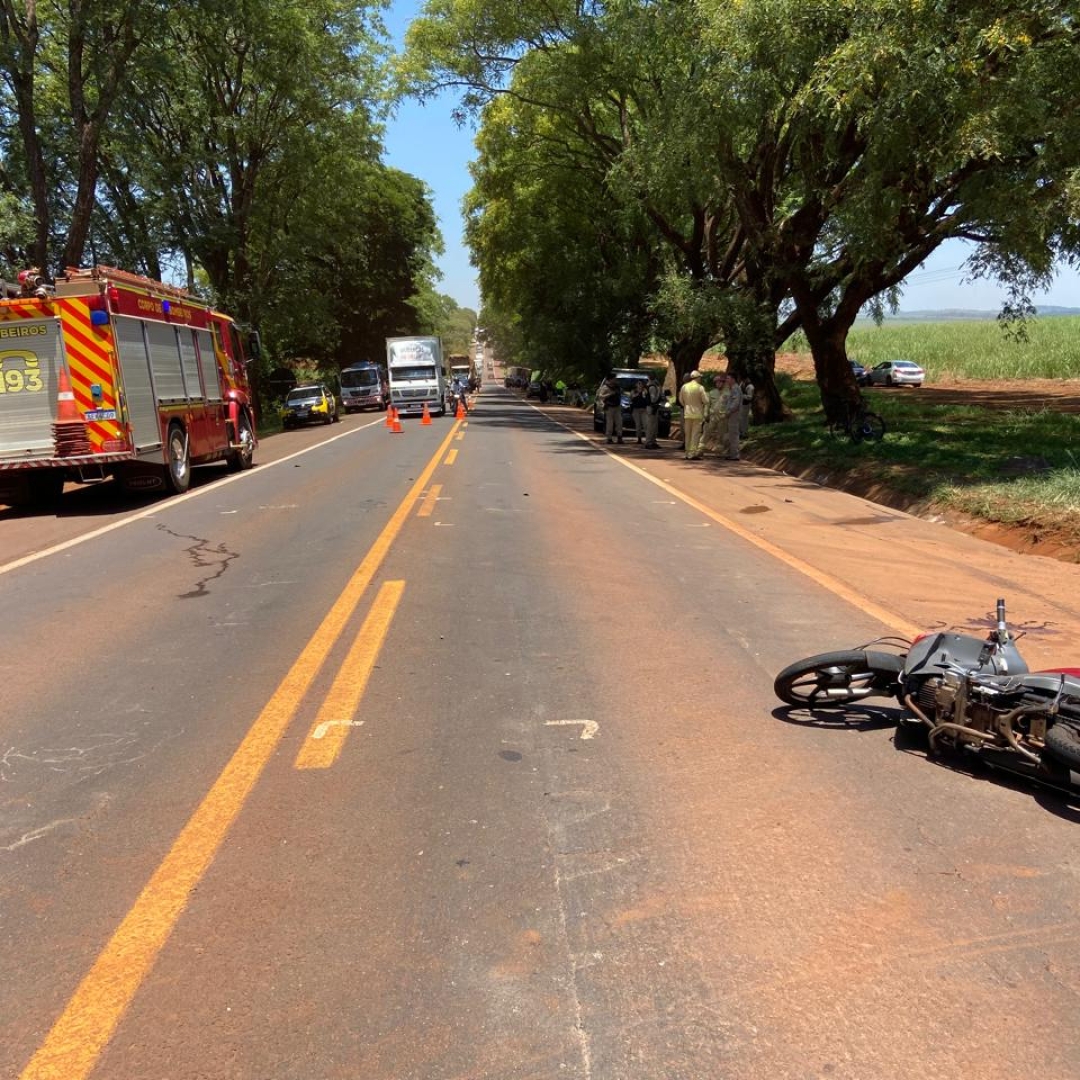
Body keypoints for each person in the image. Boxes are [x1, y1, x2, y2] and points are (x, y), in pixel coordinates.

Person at [678, 370, 709, 460]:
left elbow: (681, 400)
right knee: (695, 435)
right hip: (697, 414)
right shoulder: (700, 388)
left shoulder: (684, 387)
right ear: (697, 378)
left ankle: (687, 453)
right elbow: (706, 401)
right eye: (700, 377)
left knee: (688, 434)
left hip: (687, 414)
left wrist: (686, 406)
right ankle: (692, 454)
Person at [701, 375, 726, 455]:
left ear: (723, 383)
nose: (719, 384)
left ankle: (719, 451)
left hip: (723, 417)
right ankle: (699, 449)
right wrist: (705, 414)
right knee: (706, 433)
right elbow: (707, 405)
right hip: (712, 417)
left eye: (721, 382)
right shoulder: (711, 393)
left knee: (721, 435)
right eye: (717, 382)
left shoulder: (728, 393)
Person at [721, 373, 742, 460]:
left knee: (733, 434)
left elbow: (736, 403)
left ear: (733, 379)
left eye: (728, 378)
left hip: (734, 414)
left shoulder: (735, 389)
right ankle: (731, 453)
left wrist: (729, 411)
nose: (727, 380)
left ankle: (735, 455)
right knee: (730, 434)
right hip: (731, 414)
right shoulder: (732, 389)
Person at [599, 372, 624, 444]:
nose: (615, 380)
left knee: (619, 423)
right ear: (610, 379)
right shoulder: (605, 387)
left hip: (617, 407)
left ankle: (619, 437)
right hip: (609, 407)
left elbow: (621, 392)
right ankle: (609, 438)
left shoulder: (617, 386)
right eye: (614, 378)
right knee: (610, 423)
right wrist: (609, 394)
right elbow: (600, 396)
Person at [643, 375, 663, 448]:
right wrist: (659, 392)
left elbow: (644, 396)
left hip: (649, 407)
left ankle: (652, 441)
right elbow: (653, 399)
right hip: (652, 407)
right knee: (651, 425)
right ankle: (649, 442)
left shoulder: (647, 386)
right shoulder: (652, 387)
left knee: (652, 425)